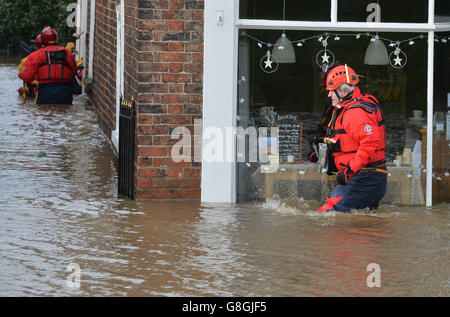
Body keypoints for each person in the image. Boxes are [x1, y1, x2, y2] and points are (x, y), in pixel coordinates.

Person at [313, 64, 388, 212]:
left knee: (325, 214)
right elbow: (346, 140)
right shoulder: (349, 107)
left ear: (344, 91)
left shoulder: (356, 112)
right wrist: (321, 151)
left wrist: (349, 171)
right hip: (366, 176)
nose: (328, 95)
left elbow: (370, 145)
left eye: (331, 91)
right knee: (356, 224)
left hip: (366, 177)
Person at [18, 27, 77, 105]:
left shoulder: (35, 55)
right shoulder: (67, 53)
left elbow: (27, 77)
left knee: (44, 114)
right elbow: (74, 71)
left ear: (42, 40)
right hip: (65, 93)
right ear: (56, 38)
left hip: (45, 93)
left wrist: (20, 74)